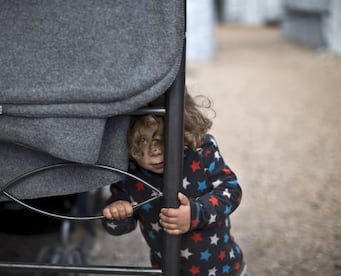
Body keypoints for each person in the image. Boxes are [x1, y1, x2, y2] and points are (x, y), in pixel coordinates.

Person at [102, 91, 248, 276]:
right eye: (143, 140)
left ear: (183, 129)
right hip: (168, 270)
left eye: (162, 138)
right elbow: (118, 228)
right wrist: (117, 213)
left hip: (223, 269)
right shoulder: (131, 173)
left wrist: (196, 213)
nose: (154, 150)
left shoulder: (201, 150)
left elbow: (232, 190)